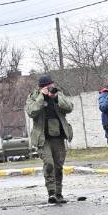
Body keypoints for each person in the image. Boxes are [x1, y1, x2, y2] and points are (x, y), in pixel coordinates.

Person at [25, 75, 74, 204]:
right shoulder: (33, 97)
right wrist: (42, 96)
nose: (50, 88)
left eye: (51, 85)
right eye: (47, 87)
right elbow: (31, 112)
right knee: (49, 164)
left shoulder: (58, 94)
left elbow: (69, 107)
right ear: (41, 88)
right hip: (43, 138)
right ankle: (51, 193)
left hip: (58, 136)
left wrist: (56, 97)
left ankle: (59, 193)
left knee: (58, 165)